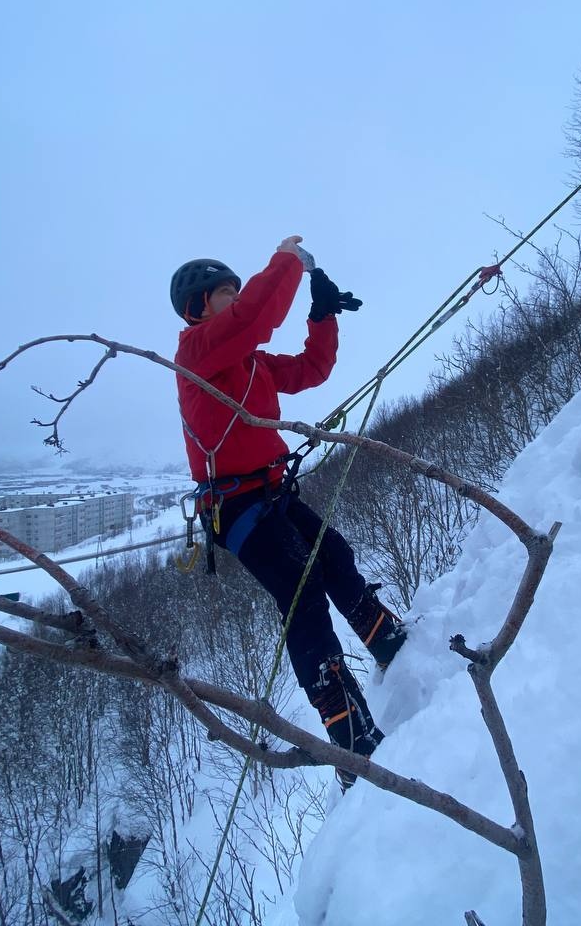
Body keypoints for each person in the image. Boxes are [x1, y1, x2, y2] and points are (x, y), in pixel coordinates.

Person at [172, 235, 406, 789]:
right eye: (227, 291)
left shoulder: (249, 363)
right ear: (200, 306)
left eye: (236, 290)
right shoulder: (196, 354)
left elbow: (310, 370)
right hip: (236, 508)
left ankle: (386, 639)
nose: (237, 297)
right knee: (301, 590)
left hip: (272, 493)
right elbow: (254, 318)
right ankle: (348, 731)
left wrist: (322, 316)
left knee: (334, 555)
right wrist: (289, 264)